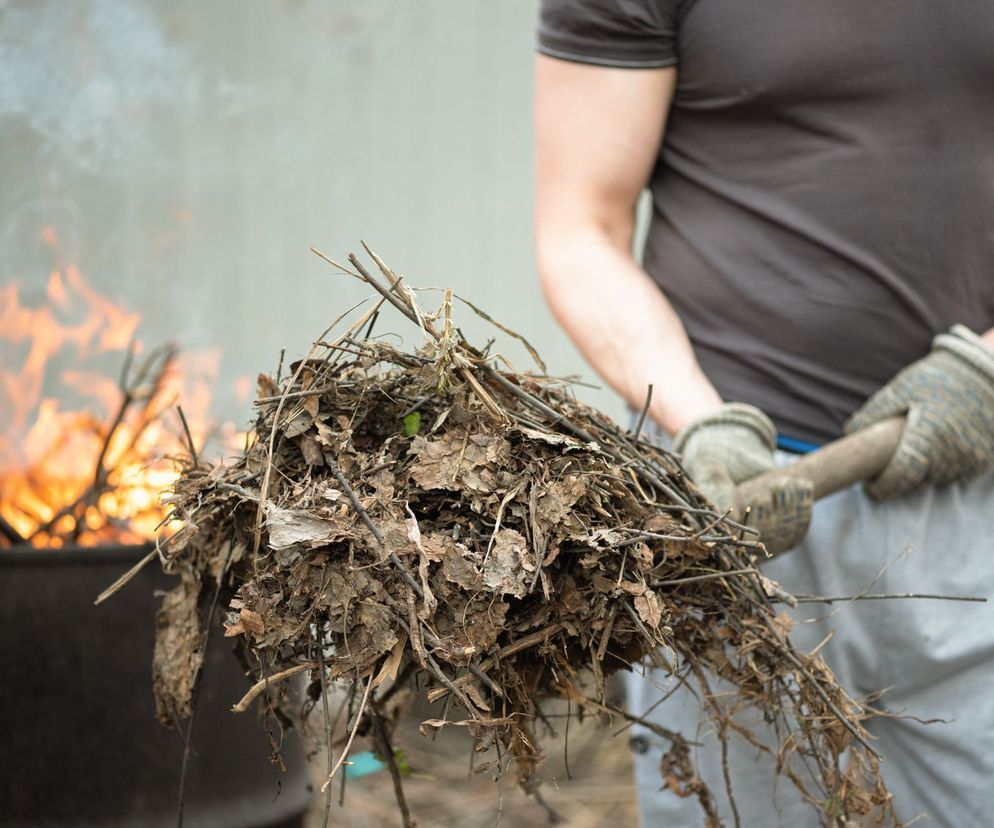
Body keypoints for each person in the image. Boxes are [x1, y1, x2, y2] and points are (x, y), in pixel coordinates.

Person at [533, 2, 994, 825]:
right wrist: (702, 426)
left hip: (979, 485)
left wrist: (989, 370)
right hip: (727, 509)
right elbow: (581, 229)